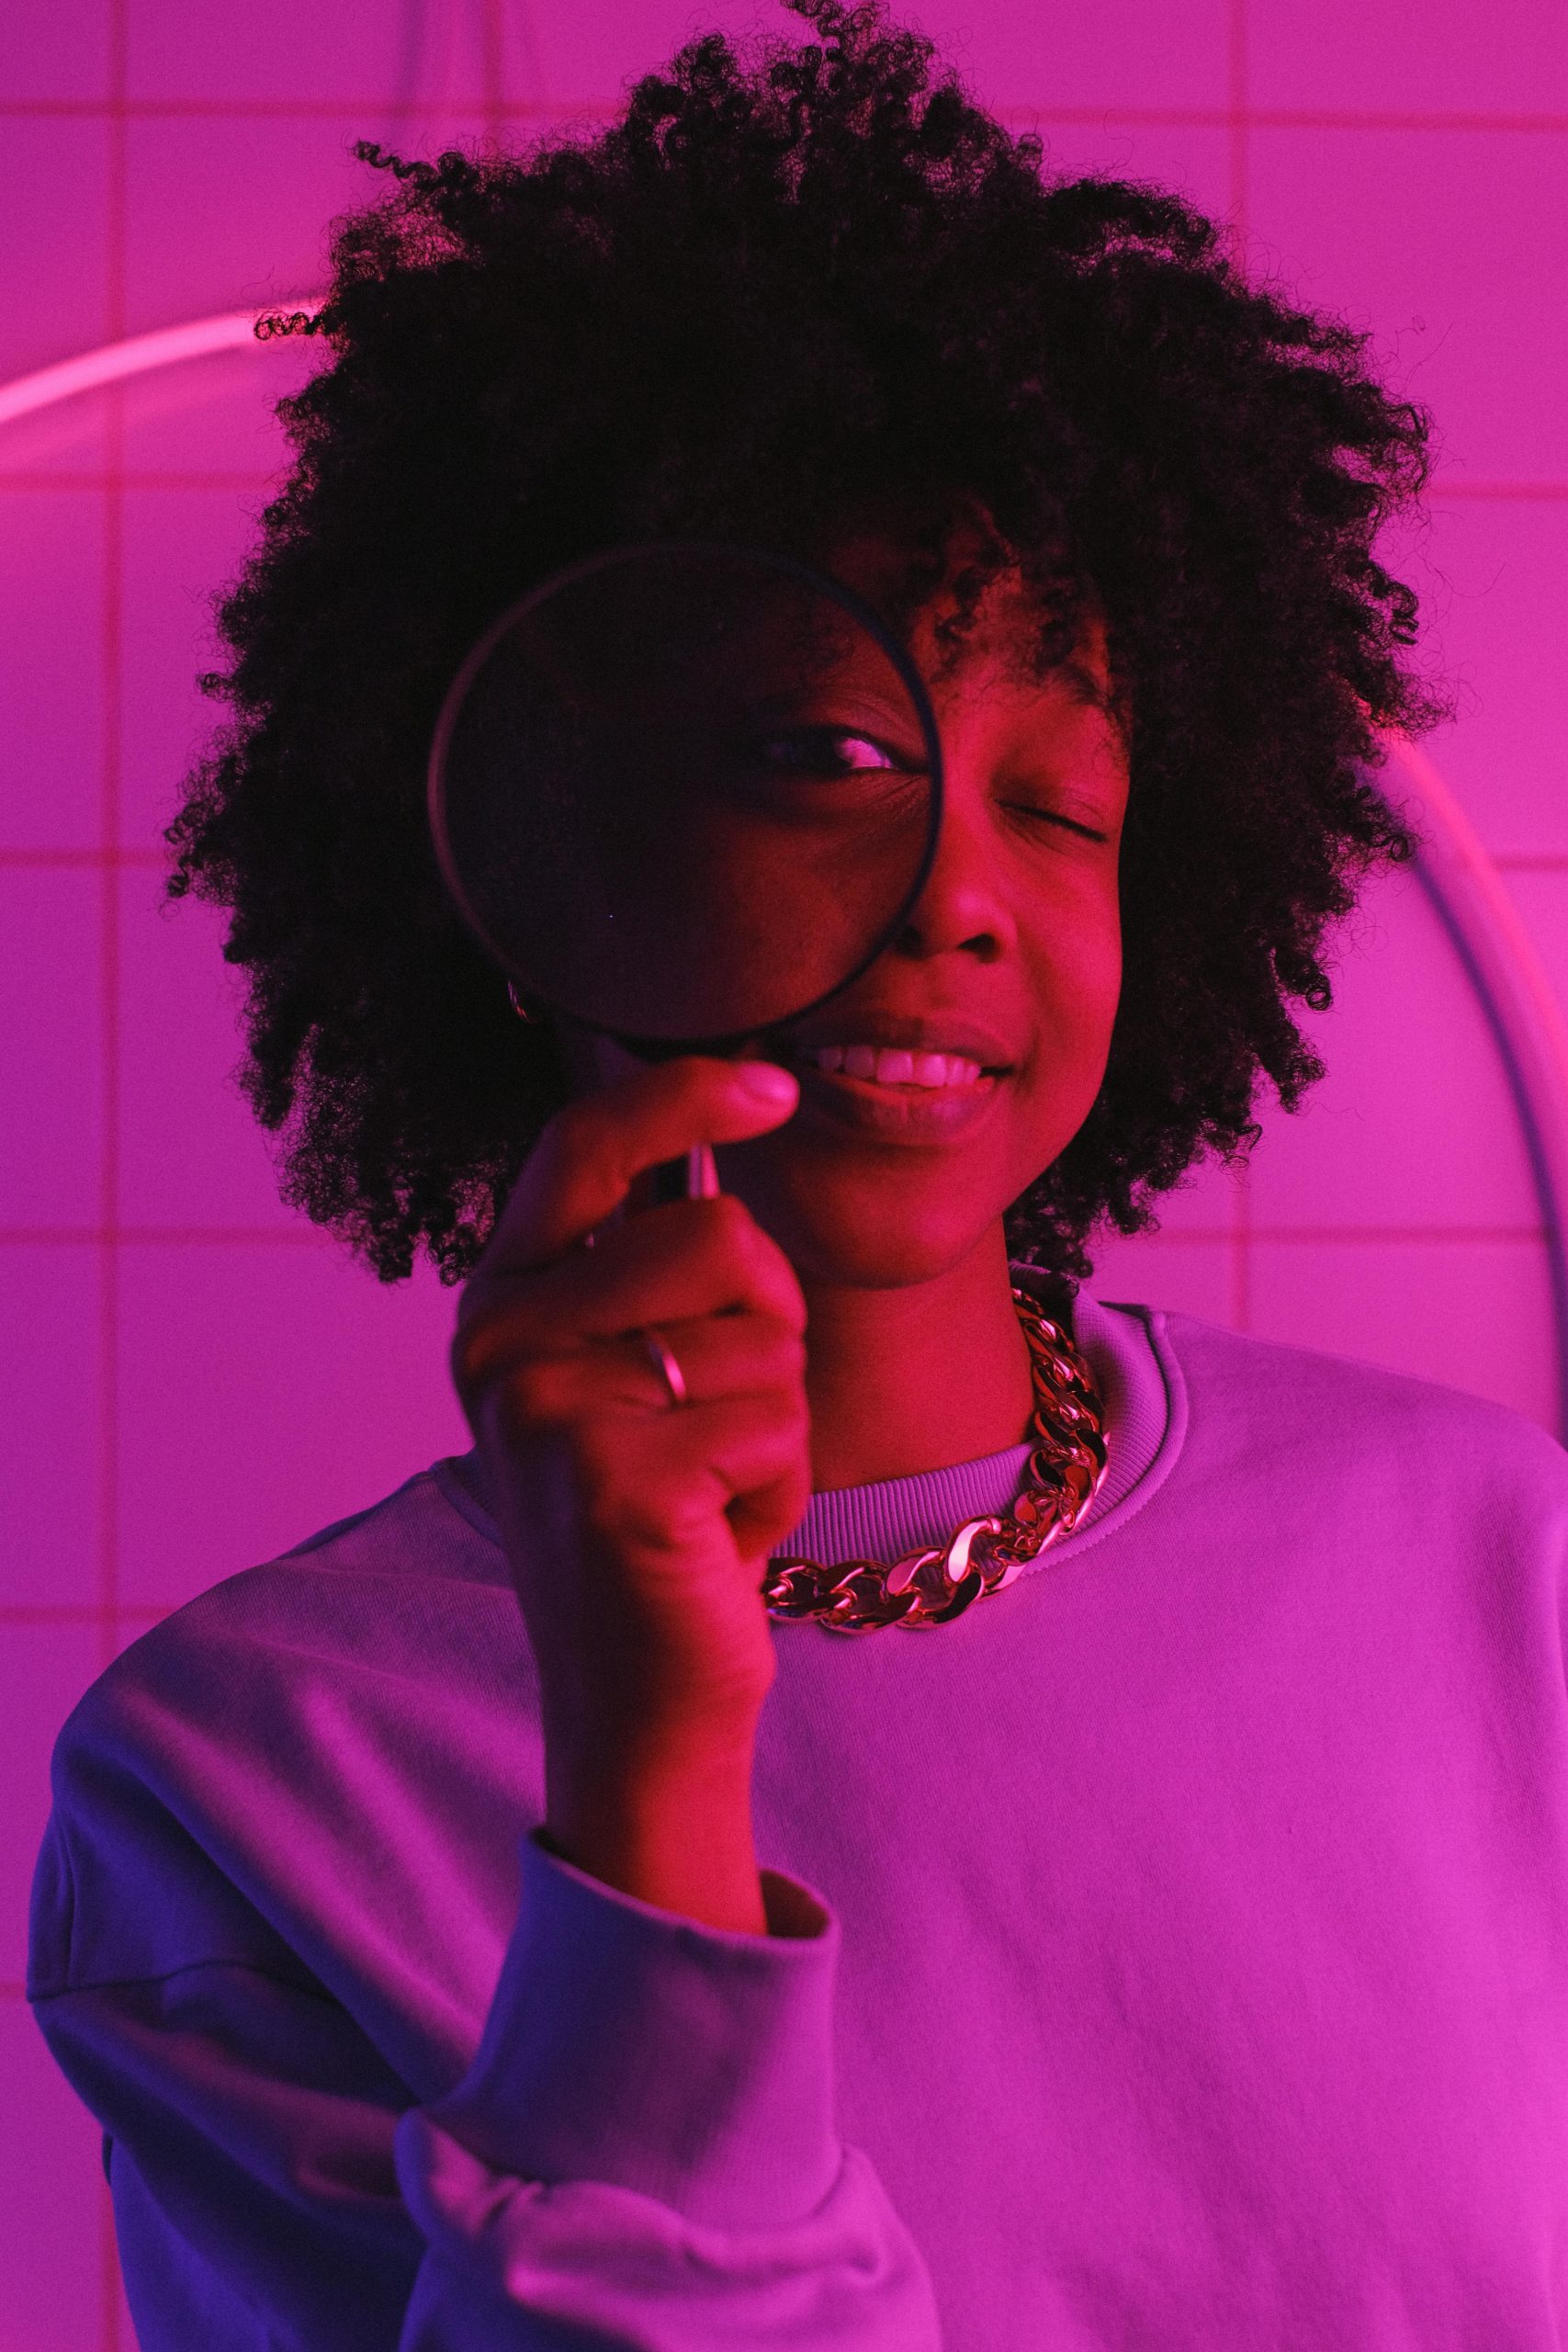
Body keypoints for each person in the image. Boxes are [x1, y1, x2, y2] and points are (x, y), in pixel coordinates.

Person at [29, 2, 1568, 2344]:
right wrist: (643, 1783)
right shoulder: (241, 1781)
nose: (958, 893)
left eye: (1061, 803)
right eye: (825, 753)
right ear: (527, 840)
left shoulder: (1503, 1567)